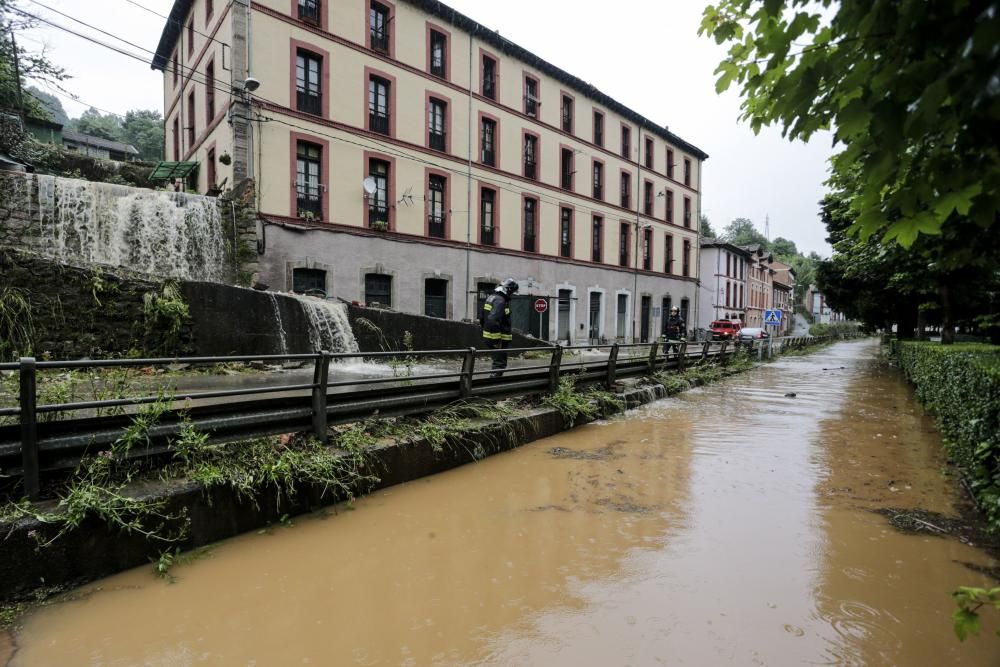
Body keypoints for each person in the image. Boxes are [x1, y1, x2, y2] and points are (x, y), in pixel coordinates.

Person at [480, 278, 518, 377]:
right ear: (508, 290)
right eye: (512, 292)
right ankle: (493, 386)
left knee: (497, 361)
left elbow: (482, 318)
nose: (512, 294)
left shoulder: (491, 298)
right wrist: (497, 340)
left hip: (491, 337)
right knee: (499, 363)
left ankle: (494, 383)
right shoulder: (500, 301)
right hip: (498, 339)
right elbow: (493, 319)